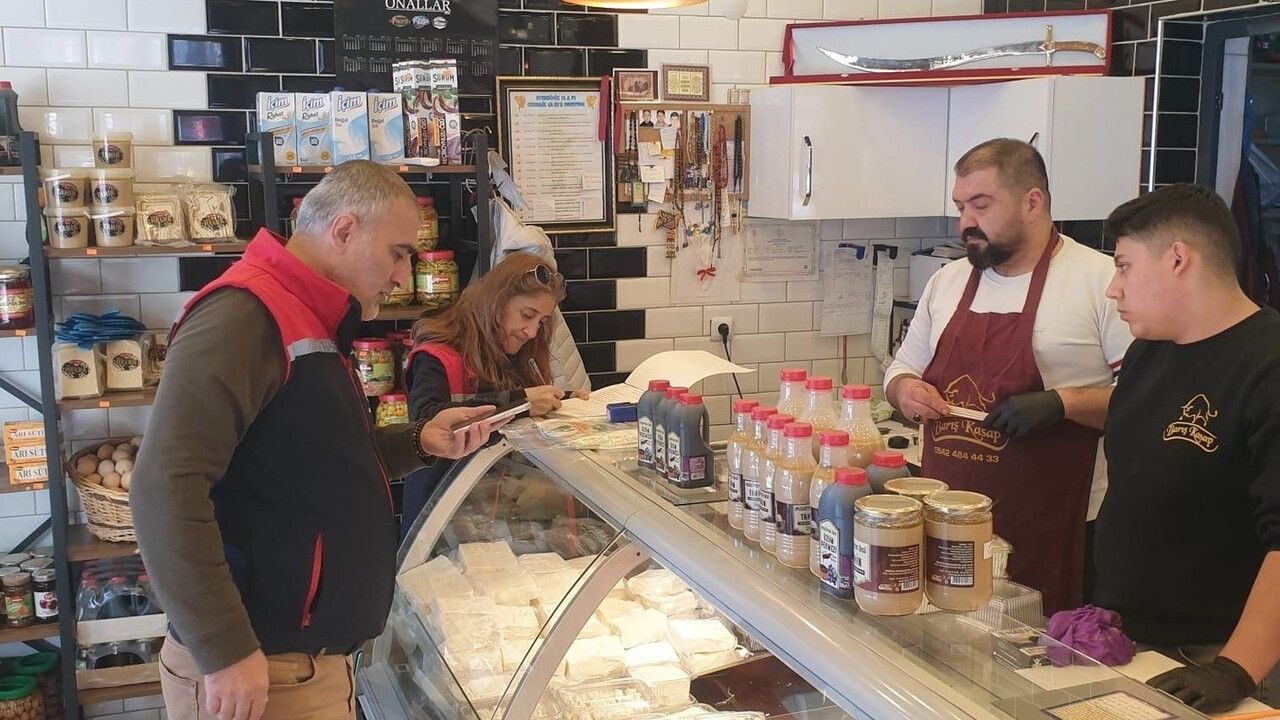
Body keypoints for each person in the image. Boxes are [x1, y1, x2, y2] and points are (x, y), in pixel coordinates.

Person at [131, 161, 503, 720]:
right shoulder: (244, 315)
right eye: (399, 252)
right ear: (345, 231)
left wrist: (421, 442)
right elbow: (164, 488)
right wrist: (225, 648)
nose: (403, 275)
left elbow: (313, 466)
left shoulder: (309, 317)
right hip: (262, 672)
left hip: (302, 666)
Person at [884, 138, 1132, 613]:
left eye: (981, 205)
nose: (965, 223)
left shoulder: (1100, 281)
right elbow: (900, 369)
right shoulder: (948, 280)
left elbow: (1144, 402)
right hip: (948, 526)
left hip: (1059, 524)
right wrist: (905, 391)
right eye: (960, 207)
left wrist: (1062, 404)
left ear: (1032, 202)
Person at [1095, 183, 1280, 713]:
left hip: (1219, 659)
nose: (1113, 288)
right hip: (1132, 642)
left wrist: (1235, 669)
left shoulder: (1267, 364)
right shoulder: (1148, 353)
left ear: (1178, 258)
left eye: (1124, 266)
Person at [399, 251, 586, 535]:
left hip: (495, 512)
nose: (532, 332)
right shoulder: (437, 356)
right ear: (495, 301)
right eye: (527, 315)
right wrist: (521, 401)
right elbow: (427, 420)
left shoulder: (518, 352)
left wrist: (563, 399)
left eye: (542, 321)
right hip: (438, 515)